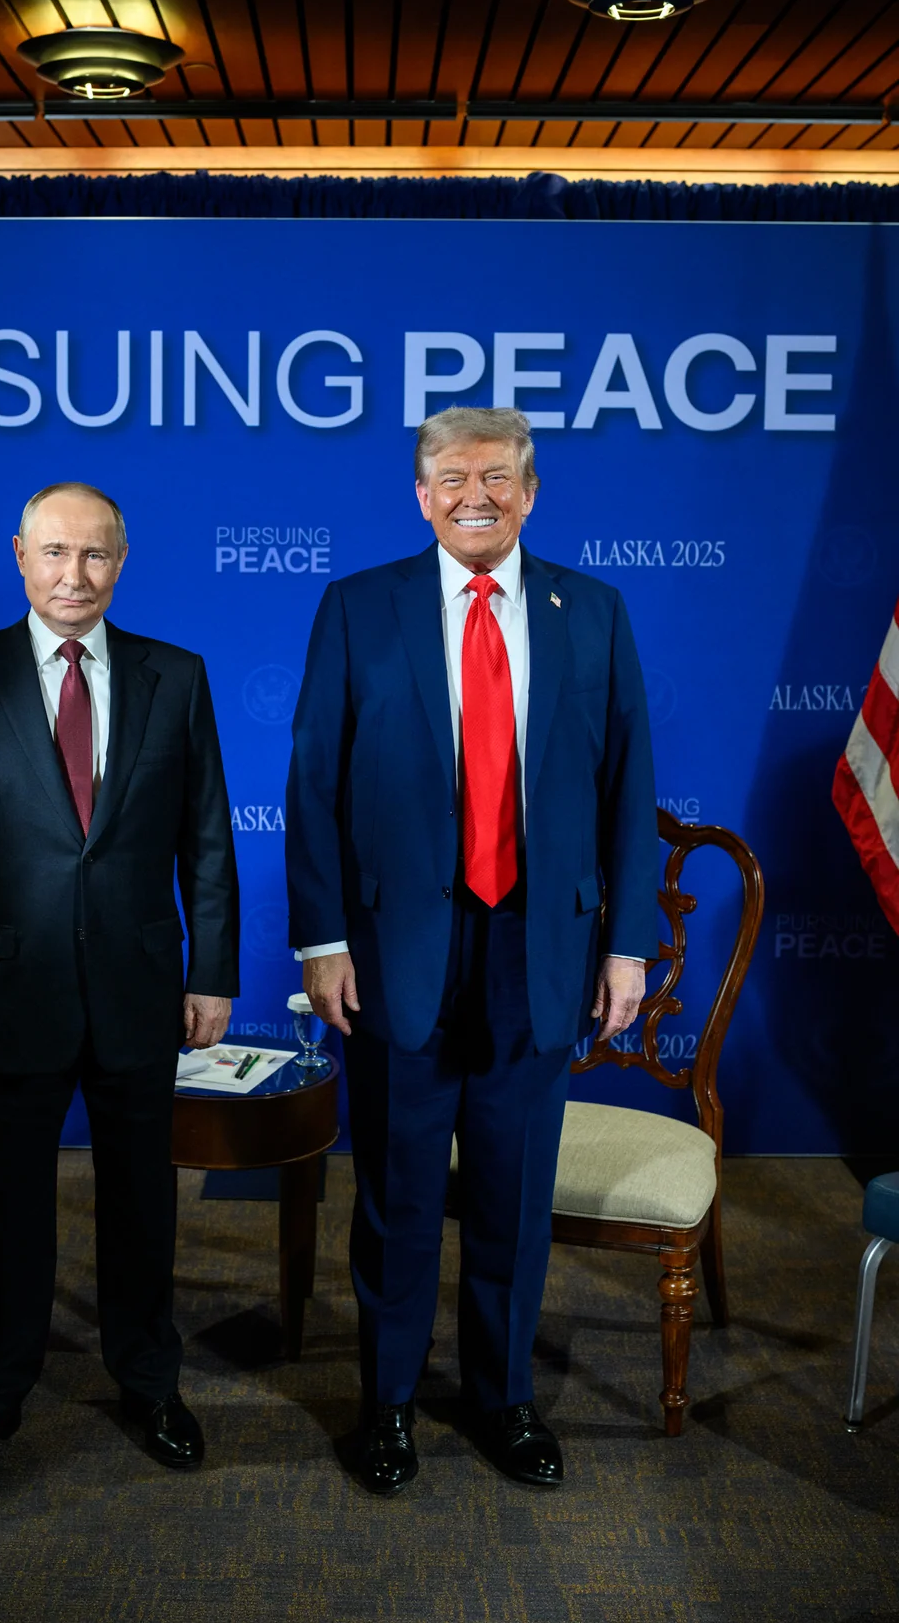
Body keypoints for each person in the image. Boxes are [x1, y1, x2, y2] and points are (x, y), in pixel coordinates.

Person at [286, 407, 658, 1494]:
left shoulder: (593, 611)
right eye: (451, 478)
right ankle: (389, 1405)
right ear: (421, 496)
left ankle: (504, 1399)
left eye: (497, 477)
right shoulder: (358, 607)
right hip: (394, 953)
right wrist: (324, 942)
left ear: (531, 493)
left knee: (513, 1193)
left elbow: (629, 788)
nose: (474, 496)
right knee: (399, 1196)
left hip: (541, 952)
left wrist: (626, 948)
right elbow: (312, 785)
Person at [0, 482, 238, 1489]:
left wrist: (212, 972)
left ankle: (150, 1381)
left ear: (122, 562)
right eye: (55, 553)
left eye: (95, 555)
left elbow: (208, 841)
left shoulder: (178, 676)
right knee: (10, 1207)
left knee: (142, 1200)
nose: (74, 575)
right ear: (19, 556)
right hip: (8, 986)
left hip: (141, 984)